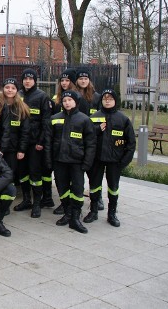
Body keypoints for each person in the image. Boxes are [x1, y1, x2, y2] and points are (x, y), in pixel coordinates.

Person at [46, 90, 96, 234]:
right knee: (62, 188)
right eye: (64, 100)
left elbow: (91, 144)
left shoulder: (84, 120)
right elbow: (48, 142)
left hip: (77, 162)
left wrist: (87, 163)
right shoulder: (55, 118)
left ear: (76, 102)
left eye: (70, 100)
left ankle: (75, 217)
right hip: (59, 161)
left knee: (77, 190)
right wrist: (49, 160)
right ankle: (67, 212)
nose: (67, 103)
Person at [86, 88, 136, 226]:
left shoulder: (123, 119)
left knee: (113, 187)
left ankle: (112, 214)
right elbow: (87, 138)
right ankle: (93, 211)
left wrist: (124, 161)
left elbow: (131, 143)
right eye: (104, 98)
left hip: (115, 161)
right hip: (97, 159)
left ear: (115, 100)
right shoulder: (94, 117)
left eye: (110, 98)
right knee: (94, 186)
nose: (107, 101)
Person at [18, 69, 53, 217]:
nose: (27, 81)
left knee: (35, 172)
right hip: (19, 141)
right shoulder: (18, 95)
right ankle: (26, 199)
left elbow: (46, 121)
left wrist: (41, 140)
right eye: (25, 78)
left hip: (34, 142)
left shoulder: (42, 96)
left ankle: (37, 203)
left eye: (30, 79)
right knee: (22, 172)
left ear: (35, 81)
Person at [0, 78, 31, 210]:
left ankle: (5, 205)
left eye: (12, 88)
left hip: (13, 149)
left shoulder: (21, 108)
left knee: (9, 176)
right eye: (7, 87)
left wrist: (22, 149)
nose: (9, 90)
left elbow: (25, 131)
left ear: (16, 90)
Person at [75, 67, 104, 210]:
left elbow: (102, 120)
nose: (83, 81)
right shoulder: (73, 96)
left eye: (85, 79)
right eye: (80, 79)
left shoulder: (97, 97)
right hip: (77, 140)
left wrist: (95, 130)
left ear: (89, 80)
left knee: (94, 173)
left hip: (93, 140)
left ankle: (97, 198)